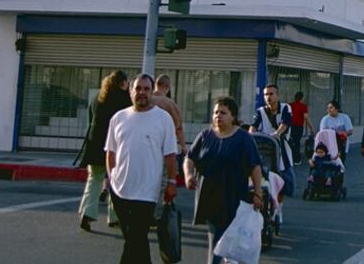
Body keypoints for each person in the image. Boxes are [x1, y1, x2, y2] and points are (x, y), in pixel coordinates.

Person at [106, 74, 179, 264]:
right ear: (131, 91)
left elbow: (170, 155)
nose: (142, 93)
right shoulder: (118, 118)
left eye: (146, 89)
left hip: (147, 192)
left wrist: (172, 182)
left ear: (152, 91)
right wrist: (111, 177)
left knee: (135, 237)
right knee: (134, 240)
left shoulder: (163, 119)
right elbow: (110, 152)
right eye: (138, 89)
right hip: (120, 190)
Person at [184, 96, 263, 264]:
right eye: (215, 112)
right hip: (210, 197)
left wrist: (258, 193)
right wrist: (188, 175)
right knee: (216, 240)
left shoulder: (244, 139)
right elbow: (189, 158)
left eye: (223, 112)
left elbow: (255, 167)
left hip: (235, 197)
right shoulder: (205, 135)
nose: (218, 116)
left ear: (233, 116)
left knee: (232, 242)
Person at [75, 70, 130, 232]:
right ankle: (114, 217)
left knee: (94, 180)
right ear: (122, 83)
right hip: (115, 146)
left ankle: (87, 213)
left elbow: (90, 121)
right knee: (116, 181)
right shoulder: (124, 100)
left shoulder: (97, 98)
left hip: (94, 145)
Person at [151, 74, 186, 220]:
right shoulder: (170, 104)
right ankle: (157, 213)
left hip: (147, 147)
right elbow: (178, 127)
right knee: (163, 179)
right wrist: (183, 146)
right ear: (167, 87)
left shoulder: (147, 100)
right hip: (164, 147)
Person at [250, 84, 295, 195]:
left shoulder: (285, 107)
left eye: (271, 94)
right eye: (265, 94)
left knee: (285, 167)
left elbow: (285, 123)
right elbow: (253, 125)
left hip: (281, 143)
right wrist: (250, 135)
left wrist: (277, 133)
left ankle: (289, 190)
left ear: (277, 95)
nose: (268, 97)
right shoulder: (261, 111)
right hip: (264, 144)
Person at [288, 91, 311, 165]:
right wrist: (311, 127)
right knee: (297, 142)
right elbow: (306, 118)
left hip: (290, 126)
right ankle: (296, 159)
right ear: (302, 98)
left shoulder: (290, 105)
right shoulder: (303, 106)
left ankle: (289, 158)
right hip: (298, 126)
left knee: (290, 142)